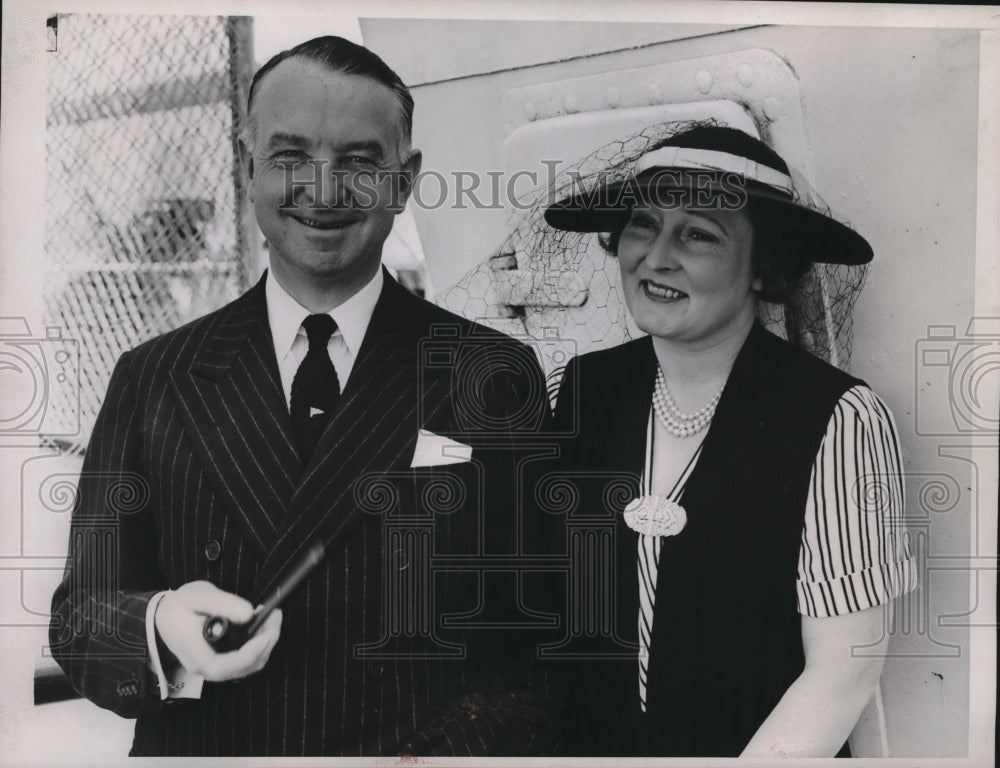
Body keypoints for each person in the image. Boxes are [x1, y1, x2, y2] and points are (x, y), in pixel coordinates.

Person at [49, 36, 549, 756]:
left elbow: (538, 636)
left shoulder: (492, 374)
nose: (322, 189)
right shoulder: (152, 376)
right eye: (289, 159)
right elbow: (79, 620)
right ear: (250, 170)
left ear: (404, 182)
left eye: (358, 161)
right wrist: (162, 627)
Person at [542, 124, 917, 757]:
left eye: (698, 233)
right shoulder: (574, 392)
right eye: (643, 224)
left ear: (764, 266)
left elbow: (843, 674)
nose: (655, 257)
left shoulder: (839, 420)